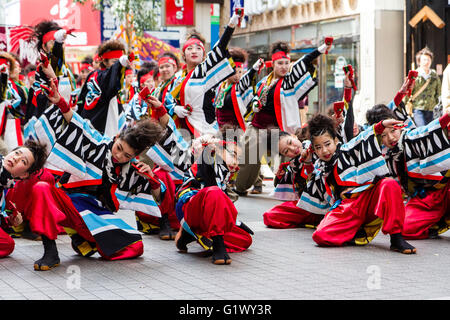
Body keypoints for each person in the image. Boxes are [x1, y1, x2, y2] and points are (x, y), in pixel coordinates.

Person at [27, 63, 167, 271]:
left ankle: (86, 240)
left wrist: (153, 180)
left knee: (134, 247)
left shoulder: (131, 168)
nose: (119, 156)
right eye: (119, 148)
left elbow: (158, 195)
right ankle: (50, 251)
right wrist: (61, 102)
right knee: (41, 188)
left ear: (135, 156)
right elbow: (78, 122)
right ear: (117, 137)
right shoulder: (99, 142)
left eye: (127, 155)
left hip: (94, 215)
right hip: (68, 205)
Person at [299, 113, 416, 254]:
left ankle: (396, 238)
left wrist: (381, 126)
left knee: (389, 184)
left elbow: (364, 137)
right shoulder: (320, 167)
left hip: (366, 198)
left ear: (336, 140)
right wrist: (307, 163)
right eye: (318, 147)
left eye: (327, 144)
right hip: (347, 208)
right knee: (320, 236)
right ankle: (356, 232)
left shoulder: (347, 150)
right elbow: (311, 188)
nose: (324, 150)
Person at [234, 39, 332, 196]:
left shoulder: (288, 82)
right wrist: (255, 104)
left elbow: (304, 62)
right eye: (280, 63)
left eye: (287, 63)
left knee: (288, 160)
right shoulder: (264, 82)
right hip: (257, 126)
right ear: (273, 64)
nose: (284, 67)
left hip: (278, 130)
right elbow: (254, 96)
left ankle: (295, 189)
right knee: (249, 159)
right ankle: (240, 187)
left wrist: (320, 50)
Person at [365, 80, 450, 240]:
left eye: (392, 131)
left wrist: (447, 116)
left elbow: (429, 131)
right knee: (403, 228)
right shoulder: (385, 153)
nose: (390, 138)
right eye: (383, 135)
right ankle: (434, 223)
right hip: (422, 201)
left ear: (397, 125)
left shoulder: (410, 137)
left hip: (441, 191)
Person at [165, 12, 243, 137]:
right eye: (189, 49)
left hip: (206, 127)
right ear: (184, 55)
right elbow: (167, 99)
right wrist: (174, 108)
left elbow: (220, 48)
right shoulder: (178, 78)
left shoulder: (207, 71)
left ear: (204, 54)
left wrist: (231, 25)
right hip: (181, 129)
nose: (194, 51)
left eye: (198, 48)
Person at [76, 40, 135, 137]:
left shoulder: (97, 75)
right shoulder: (102, 76)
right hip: (98, 125)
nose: (118, 66)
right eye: (115, 62)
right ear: (104, 61)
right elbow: (82, 99)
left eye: (119, 61)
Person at [0, 139, 48, 258]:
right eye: (17, 153)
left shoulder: (5, 186)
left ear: (24, 175)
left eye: (23, 161)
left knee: (7, 244)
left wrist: (9, 221)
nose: (16, 158)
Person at [404, 47, 441, 126]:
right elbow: (408, 92)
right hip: (418, 108)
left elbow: (438, 92)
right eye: (424, 60)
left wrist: (437, 104)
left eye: (428, 60)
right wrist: (403, 106)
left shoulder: (434, 75)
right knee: (422, 129)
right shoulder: (414, 75)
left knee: (430, 130)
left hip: (431, 109)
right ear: (419, 62)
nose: (426, 62)